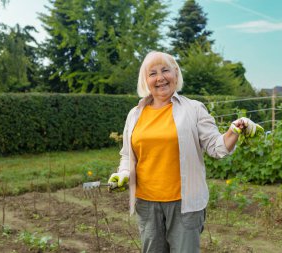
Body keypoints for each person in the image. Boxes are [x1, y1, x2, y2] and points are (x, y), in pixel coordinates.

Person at [108, 51, 263, 253]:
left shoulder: (194, 109)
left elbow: (217, 147)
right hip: (146, 204)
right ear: (145, 80)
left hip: (184, 205)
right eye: (152, 73)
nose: (160, 77)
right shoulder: (135, 114)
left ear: (176, 73)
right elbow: (128, 155)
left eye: (165, 70)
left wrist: (235, 129)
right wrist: (123, 173)